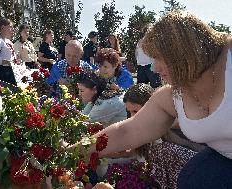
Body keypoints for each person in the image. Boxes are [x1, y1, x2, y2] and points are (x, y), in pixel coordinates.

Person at [84, 11, 232, 189]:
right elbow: (128, 131)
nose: (154, 68)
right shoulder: (170, 96)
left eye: (158, 58)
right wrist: (75, 151)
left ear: (182, 51)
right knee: (192, 176)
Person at [0, 18, 17, 85]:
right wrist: (6, 61)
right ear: (3, 27)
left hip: (12, 70)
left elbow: (12, 55)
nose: (12, 29)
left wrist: (16, 60)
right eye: (10, 27)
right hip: (3, 71)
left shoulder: (8, 41)